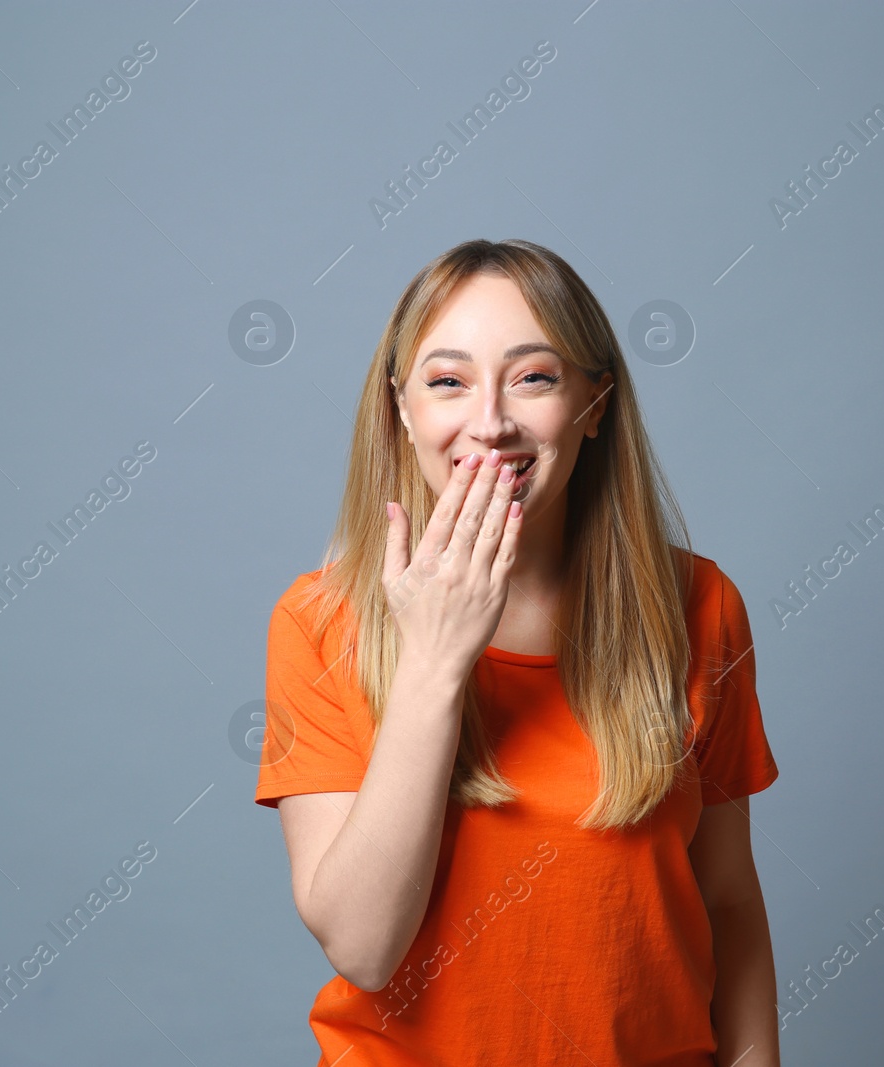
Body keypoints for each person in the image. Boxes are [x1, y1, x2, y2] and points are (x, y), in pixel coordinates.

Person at [254, 237, 781, 1066]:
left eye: (533, 377)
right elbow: (362, 945)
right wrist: (434, 661)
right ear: (402, 408)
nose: (491, 422)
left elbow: (729, 902)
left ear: (595, 404)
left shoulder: (700, 608)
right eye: (447, 381)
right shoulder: (319, 621)